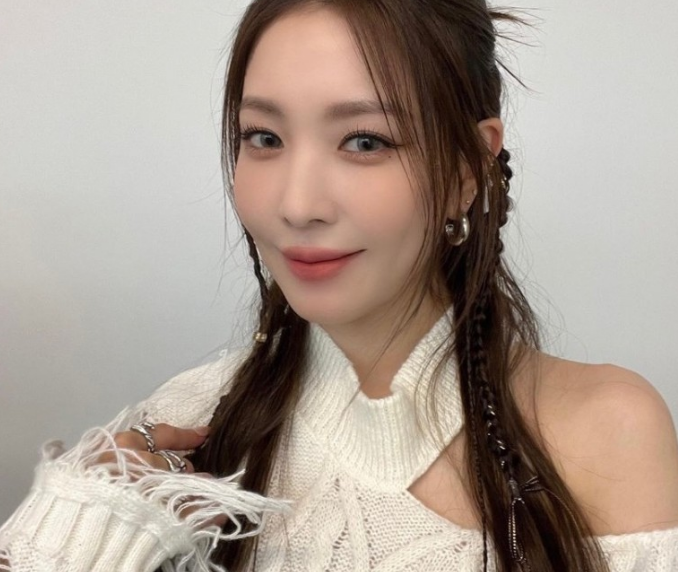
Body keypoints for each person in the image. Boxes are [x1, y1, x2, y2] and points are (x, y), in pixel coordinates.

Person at [2, 0, 678, 570]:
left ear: (466, 172)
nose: (297, 205)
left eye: (364, 142)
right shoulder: (181, 428)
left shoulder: (602, 433)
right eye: (264, 137)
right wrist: (69, 536)